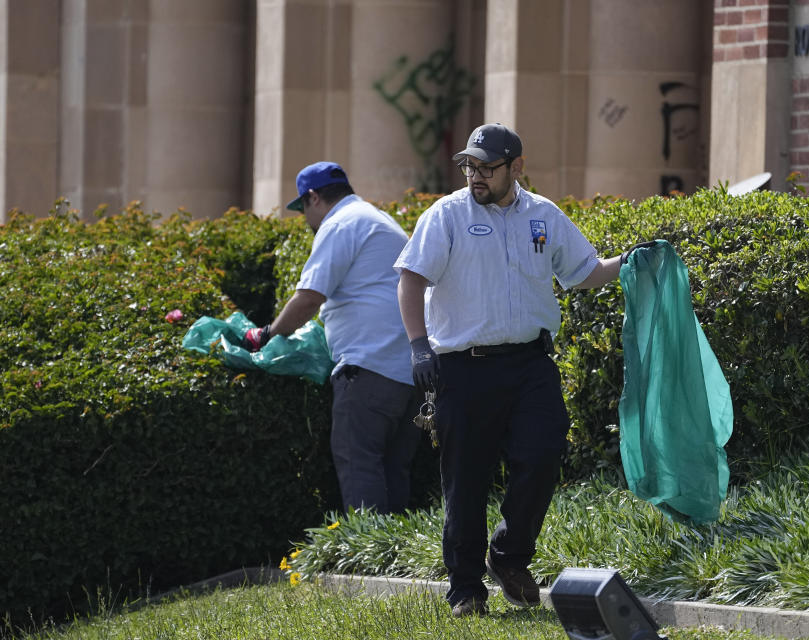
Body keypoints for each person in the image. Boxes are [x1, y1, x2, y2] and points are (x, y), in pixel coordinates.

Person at [394, 123, 641, 617]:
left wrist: (631, 262)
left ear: (516, 167)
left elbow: (583, 272)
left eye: (487, 167)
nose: (476, 176)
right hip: (463, 368)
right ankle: (465, 588)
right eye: (470, 166)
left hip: (530, 363)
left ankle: (508, 557)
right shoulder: (447, 215)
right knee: (465, 479)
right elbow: (411, 279)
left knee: (544, 452)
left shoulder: (543, 216)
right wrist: (420, 348)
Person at [243, 161, 421, 514]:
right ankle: (396, 559)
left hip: (369, 366)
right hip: (411, 371)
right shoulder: (377, 219)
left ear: (314, 198)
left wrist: (268, 333)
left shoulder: (340, 223)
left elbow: (309, 296)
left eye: (303, 209)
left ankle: (370, 555)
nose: (306, 219)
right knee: (393, 469)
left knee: (358, 461)